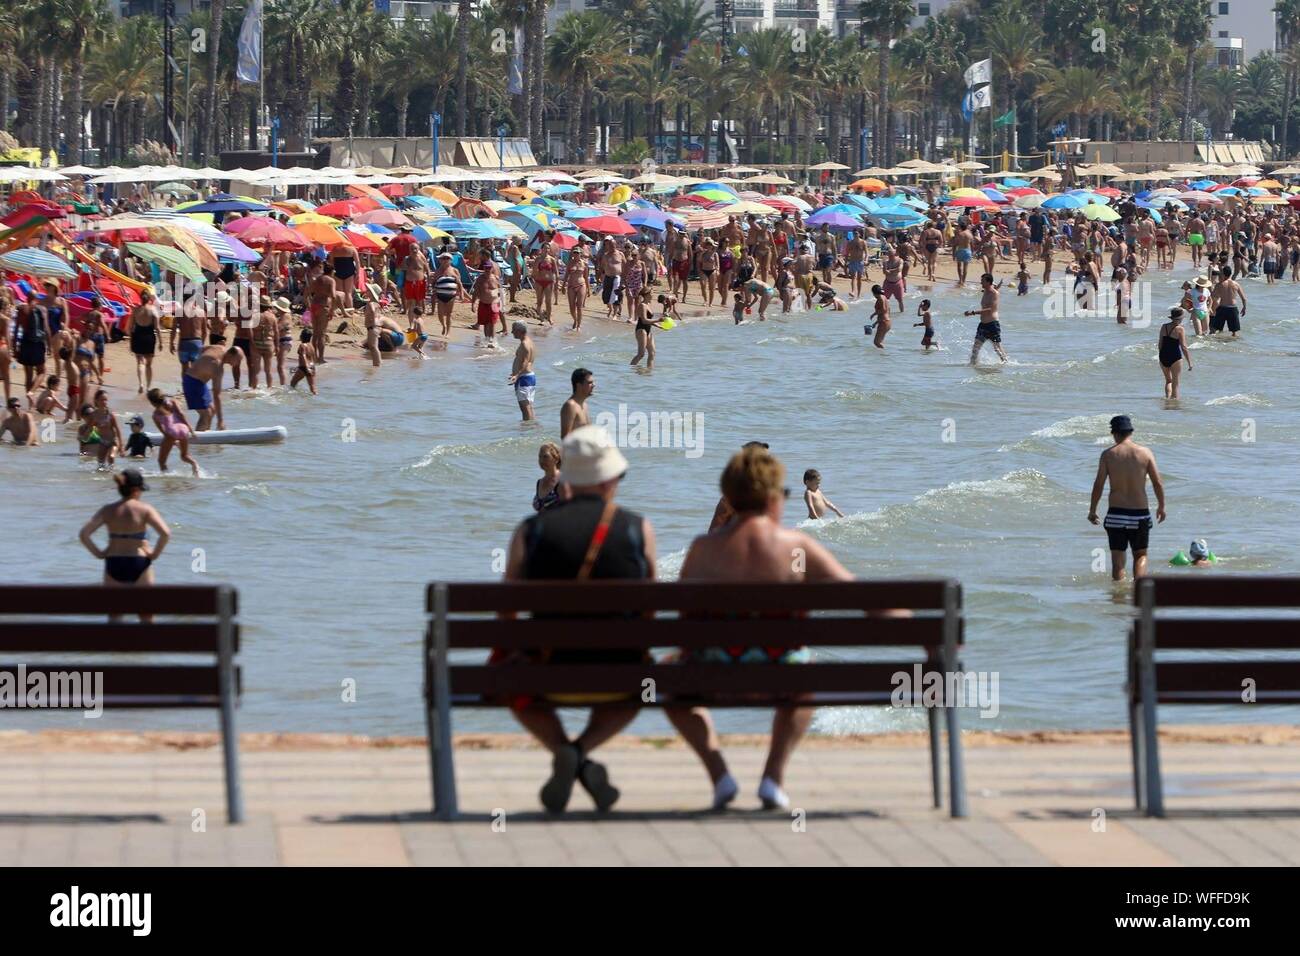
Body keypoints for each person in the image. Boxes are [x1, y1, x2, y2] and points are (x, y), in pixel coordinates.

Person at [665, 446, 854, 811]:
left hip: (713, 668)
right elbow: (868, 599)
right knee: (805, 678)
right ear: (774, 500)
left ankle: (720, 774)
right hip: (781, 671)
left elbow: (684, 619)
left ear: (730, 500)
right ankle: (773, 778)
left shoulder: (703, 549)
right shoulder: (796, 546)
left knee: (672, 687)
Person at [499, 426, 657, 814]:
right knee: (648, 678)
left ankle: (563, 750)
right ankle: (580, 750)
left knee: (502, 668)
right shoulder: (638, 529)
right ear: (610, 479)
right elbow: (650, 608)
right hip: (618, 674)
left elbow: (506, 609)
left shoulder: (530, 531)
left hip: (545, 670)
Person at [79, 469, 171, 617]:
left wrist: (99, 553)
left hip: (114, 562)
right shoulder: (145, 509)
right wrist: (154, 554)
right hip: (139, 561)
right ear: (136, 490)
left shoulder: (107, 510)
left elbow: (84, 534)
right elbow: (165, 533)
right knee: (146, 616)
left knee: (115, 616)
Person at [1088, 415, 1166, 582]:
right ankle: (1139, 590)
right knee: (1140, 556)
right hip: (1139, 515)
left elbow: (1098, 485)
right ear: (1130, 432)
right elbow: (1157, 482)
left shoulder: (1108, 455)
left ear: (1114, 433)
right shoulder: (1145, 453)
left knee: (1117, 561)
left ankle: (1119, 596)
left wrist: (1092, 510)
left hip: (1116, 514)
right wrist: (1161, 506)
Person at [184, 344, 242, 431]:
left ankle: (206, 435)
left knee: (212, 410)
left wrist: (200, 364)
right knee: (206, 414)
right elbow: (216, 395)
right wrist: (220, 420)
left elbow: (202, 349)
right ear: (230, 355)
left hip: (199, 383)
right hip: (191, 383)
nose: (238, 363)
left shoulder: (220, 347)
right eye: (238, 360)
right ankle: (198, 440)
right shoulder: (218, 367)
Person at [146, 387, 199, 476]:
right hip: (183, 429)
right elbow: (182, 414)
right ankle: (195, 465)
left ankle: (166, 479)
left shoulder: (155, 415)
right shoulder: (173, 402)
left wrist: (172, 440)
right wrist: (191, 430)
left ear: (152, 402)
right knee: (184, 456)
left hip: (171, 432)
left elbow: (164, 432)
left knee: (161, 461)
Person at [966, 273, 1007, 365]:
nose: (981, 282)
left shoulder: (994, 294)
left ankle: (1006, 364)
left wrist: (973, 312)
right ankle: (972, 366)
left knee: (997, 349)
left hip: (992, 325)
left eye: (983, 281)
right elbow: (993, 287)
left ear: (988, 282)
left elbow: (990, 310)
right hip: (983, 325)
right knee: (975, 348)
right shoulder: (985, 291)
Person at [1157, 307, 1192, 399]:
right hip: (1175, 357)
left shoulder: (1164, 326)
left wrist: (1161, 356)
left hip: (1163, 356)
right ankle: (1174, 403)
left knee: (1168, 381)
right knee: (1175, 383)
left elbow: (1160, 343)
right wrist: (1189, 362)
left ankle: (1167, 397)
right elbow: (1184, 347)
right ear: (1180, 318)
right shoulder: (1180, 329)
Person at [508, 321, 536, 422]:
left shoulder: (524, 344)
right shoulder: (529, 341)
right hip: (529, 377)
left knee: (525, 408)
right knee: (528, 407)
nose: (512, 332)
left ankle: (527, 431)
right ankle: (531, 428)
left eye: (514, 330)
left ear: (519, 331)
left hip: (524, 378)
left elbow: (525, 362)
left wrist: (517, 374)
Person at [1208, 266, 1247, 337]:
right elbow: (1244, 298)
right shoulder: (1236, 284)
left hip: (1222, 308)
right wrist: (1244, 308)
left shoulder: (1219, 285)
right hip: (1233, 308)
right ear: (1230, 274)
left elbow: (1213, 296)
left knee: (1214, 329)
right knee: (1234, 332)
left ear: (1223, 274)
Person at [560, 367, 594, 438]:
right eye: (589, 383)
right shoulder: (570, 406)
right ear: (579, 385)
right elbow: (565, 438)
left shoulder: (584, 405)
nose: (593, 385)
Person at [533, 441, 561, 512]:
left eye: (546, 457)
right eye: (540, 457)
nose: (542, 460)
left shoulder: (563, 480)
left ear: (556, 459)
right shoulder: (539, 483)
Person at [290, 329, 318, 395]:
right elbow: (313, 358)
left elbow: (303, 356)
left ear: (301, 336)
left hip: (304, 368)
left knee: (293, 382)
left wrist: (306, 367)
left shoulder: (302, 345)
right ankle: (316, 397)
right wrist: (312, 367)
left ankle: (292, 395)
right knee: (312, 386)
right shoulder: (311, 346)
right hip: (312, 367)